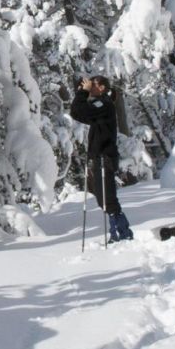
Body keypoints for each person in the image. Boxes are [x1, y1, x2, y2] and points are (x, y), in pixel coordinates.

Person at [70, 75, 133, 242]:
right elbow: (77, 112)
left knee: (108, 198)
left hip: (105, 157)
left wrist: (83, 92)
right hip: (99, 158)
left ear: (103, 87)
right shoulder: (99, 105)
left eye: (94, 84)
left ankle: (122, 233)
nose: (90, 87)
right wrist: (81, 92)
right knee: (101, 198)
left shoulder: (104, 104)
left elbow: (81, 111)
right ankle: (119, 231)